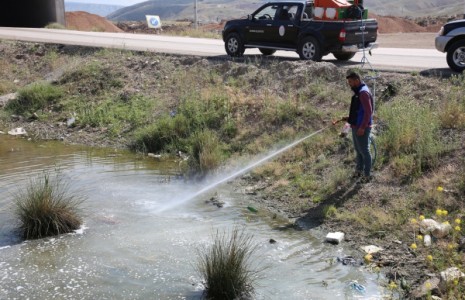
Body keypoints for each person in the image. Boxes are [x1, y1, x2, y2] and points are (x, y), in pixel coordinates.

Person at [343, 72, 374, 183]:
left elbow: (368, 112)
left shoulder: (363, 93)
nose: (349, 85)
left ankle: (367, 175)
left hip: (362, 127)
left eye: (350, 82)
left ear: (356, 80)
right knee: (358, 150)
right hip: (356, 125)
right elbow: (359, 110)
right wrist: (349, 118)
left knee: (364, 151)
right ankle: (358, 171)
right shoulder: (359, 92)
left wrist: (362, 127)